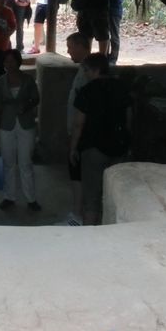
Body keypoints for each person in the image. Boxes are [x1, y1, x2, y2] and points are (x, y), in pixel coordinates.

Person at [69, 53, 132, 226]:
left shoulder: (87, 90)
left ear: (95, 70)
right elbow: (129, 117)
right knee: (114, 195)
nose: (85, 74)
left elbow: (78, 124)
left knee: (92, 197)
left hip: (93, 148)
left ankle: (90, 235)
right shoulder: (122, 88)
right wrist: (127, 140)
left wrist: (73, 148)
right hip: (118, 147)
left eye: (87, 70)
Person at [0, 48, 41, 212]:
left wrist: (26, 106)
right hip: (6, 124)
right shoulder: (0, 82)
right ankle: (9, 197)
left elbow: (36, 98)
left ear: (18, 62)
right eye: (6, 61)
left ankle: (31, 199)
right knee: (8, 163)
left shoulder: (28, 80)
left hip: (26, 123)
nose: (9, 64)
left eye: (12, 61)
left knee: (25, 162)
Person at [57, 32, 91, 226]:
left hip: (83, 133)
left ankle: (78, 216)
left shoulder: (87, 73)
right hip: (79, 131)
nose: (68, 51)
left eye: (70, 47)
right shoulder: (83, 70)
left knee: (78, 174)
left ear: (80, 46)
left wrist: (74, 138)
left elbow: (83, 111)